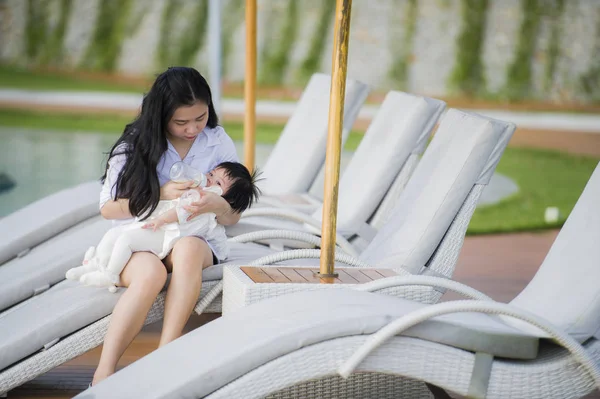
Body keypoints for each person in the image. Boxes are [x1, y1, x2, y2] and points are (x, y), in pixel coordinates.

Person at [90, 67, 247, 386]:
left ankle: (165, 354)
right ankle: (104, 372)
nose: (192, 129)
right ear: (161, 116)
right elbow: (108, 208)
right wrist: (158, 193)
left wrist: (218, 205)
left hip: (195, 239)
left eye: (200, 117)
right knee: (151, 273)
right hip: (142, 239)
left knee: (188, 249)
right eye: (181, 122)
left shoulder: (216, 142)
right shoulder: (135, 145)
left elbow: (233, 217)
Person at [66, 162, 259, 292]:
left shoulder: (205, 205)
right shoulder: (196, 191)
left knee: (126, 240)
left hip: (166, 235)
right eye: (211, 174)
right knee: (113, 233)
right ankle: (93, 265)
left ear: (226, 198)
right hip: (157, 226)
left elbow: (179, 213)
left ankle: (110, 275)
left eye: (217, 182)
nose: (208, 179)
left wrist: (161, 220)